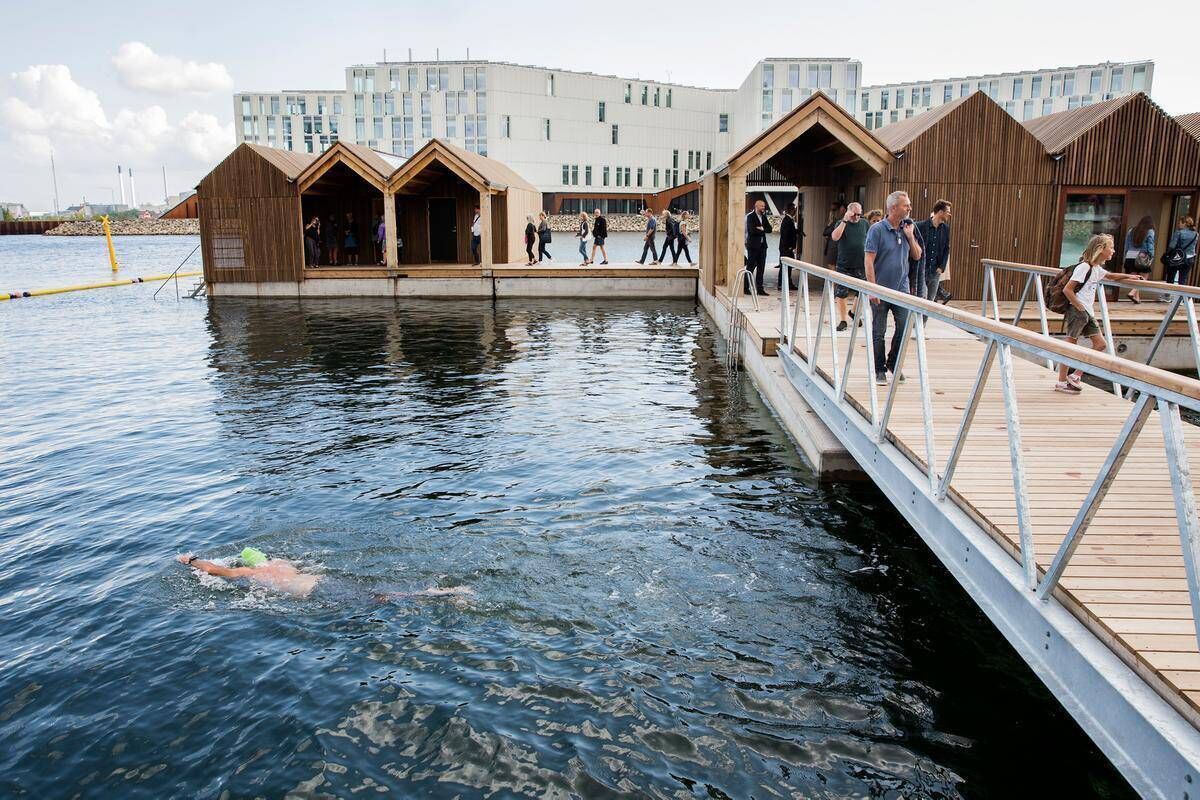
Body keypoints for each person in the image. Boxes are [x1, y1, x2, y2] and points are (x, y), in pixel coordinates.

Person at [176, 548, 472, 602]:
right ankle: (429, 591)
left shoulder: (249, 571)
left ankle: (438, 595)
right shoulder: (282, 563)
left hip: (316, 593)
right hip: (323, 581)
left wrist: (191, 560)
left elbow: (216, 570)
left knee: (378, 598)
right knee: (373, 594)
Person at [1055, 234, 1144, 394]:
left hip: (1086, 312)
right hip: (1079, 311)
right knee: (1070, 345)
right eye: (1111, 247)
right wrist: (1080, 307)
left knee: (1101, 344)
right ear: (1100, 249)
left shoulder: (1096, 268)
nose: (1113, 251)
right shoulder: (1084, 267)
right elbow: (1067, 289)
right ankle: (1061, 381)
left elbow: (1109, 276)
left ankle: (1075, 375)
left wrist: (1129, 276)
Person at [865, 191, 923, 385]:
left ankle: (893, 363)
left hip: (902, 289)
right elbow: (869, 259)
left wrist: (910, 236)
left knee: (904, 327)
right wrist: (872, 288)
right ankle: (879, 369)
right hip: (880, 289)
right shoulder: (877, 230)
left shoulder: (907, 228)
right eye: (906, 205)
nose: (909, 208)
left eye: (909, 205)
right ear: (893, 208)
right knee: (879, 331)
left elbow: (917, 256)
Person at [831, 202, 869, 331]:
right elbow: (835, 237)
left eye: (859, 214)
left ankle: (853, 312)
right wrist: (845, 220)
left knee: (862, 292)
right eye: (854, 214)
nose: (857, 217)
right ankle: (843, 320)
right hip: (844, 264)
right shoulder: (842, 223)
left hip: (861, 263)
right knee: (842, 293)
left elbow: (870, 239)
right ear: (849, 213)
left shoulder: (864, 223)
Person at [914, 200, 952, 301]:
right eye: (948, 212)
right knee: (919, 299)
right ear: (940, 212)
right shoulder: (920, 226)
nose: (949, 214)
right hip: (921, 270)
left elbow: (946, 249)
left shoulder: (946, 229)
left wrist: (941, 267)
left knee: (930, 302)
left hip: (935, 271)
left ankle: (924, 318)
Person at [1123, 215, 1155, 303]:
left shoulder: (1131, 230)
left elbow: (1127, 245)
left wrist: (1126, 255)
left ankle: (1137, 298)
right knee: (1144, 277)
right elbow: (1150, 246)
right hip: (1142, 257)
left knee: (1136, 278)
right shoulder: (1150, 231)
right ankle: (1132, 292)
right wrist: (1151, 257)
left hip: (1130, 256)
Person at [745, 199, 772, 295]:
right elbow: (752, 231)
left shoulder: (764, 217)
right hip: (753, 246)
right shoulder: (750, 217)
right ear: (756, 207)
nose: (763, 208)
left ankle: (760, 289)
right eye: (762, 206)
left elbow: (770, 229)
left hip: (763, 246)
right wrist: (762, 230)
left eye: (764, 206)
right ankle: (745, 287)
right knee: (750, 267)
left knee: (761, 268)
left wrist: (762, 229)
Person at [1165, 216, 1198, 287]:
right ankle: (1181, 297)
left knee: (1170, 277)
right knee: (1183, 280)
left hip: (1177, 257)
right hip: (1189, 258)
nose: (1178, 224)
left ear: (1185, 223)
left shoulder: (1179, 232)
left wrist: (1167, 254)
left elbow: (1172, 246)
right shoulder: (1196, 234)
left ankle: (1167, 295)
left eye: (1179, 222)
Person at [776, 203, 798, 290]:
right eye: (795, 210)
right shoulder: (787, 220)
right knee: (784, 267)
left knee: (789, 267)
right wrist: (789, 247)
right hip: (786, 248)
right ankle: (781, 284)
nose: (796, 212)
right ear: (792, 210)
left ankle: (788, 283)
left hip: (787, 248)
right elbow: (785, 235)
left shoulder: (789, 220)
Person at [823, 202, 846, 271]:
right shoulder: (834, 221)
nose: (831, 212)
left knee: (833, 269)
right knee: (831, 267)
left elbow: (826, 232)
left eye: (834, 210)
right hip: (832, 247)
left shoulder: (840, 222)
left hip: (836, 248)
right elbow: (825, 232)